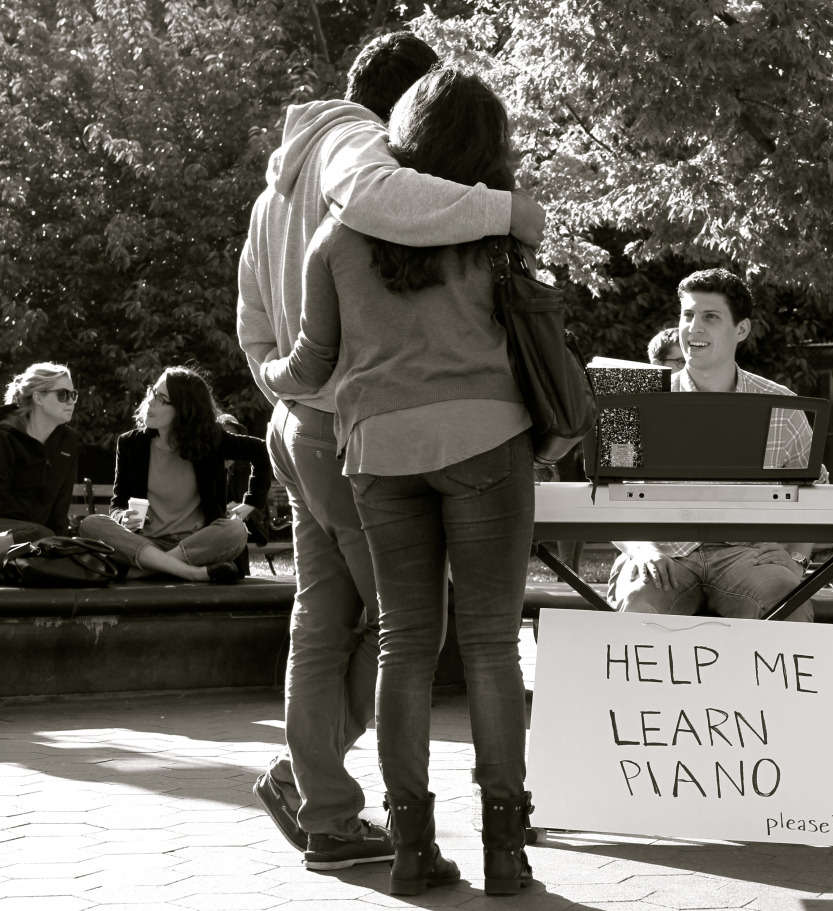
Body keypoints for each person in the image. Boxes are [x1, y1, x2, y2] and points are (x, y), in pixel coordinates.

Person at [236, 31, 545, 872]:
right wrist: (510, 211)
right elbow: (392, 209)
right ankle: (501, 845)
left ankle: (370, 823)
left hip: (337, 431)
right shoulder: (367, 157)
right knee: (470, 641)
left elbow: (273, 333)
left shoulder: (290, 203)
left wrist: (277, 384)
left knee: (349, 627)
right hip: (429, 436)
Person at [608, 269, 827, 622]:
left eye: (710, 317)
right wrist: (638, 548)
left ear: (741, 329)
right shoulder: (633, 400)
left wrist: (797, 560)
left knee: (787, 603)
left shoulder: (782, 404)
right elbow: (609, 488)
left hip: (748, 557)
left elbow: (814, 490)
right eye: (687, 315)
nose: (694, 328)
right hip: (662, 555)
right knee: (638, 602)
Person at [79, 367, 270, 583]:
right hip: (145, 543)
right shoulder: (130, 444)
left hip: (196, 543)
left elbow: (262, 451)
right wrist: (122, 517)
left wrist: (252, 502)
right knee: (91, 524)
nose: (150, 402)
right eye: (153, 392)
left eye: (161, 399)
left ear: (185, 409)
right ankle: (189, 573)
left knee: (235, 530)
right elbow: (118, 503)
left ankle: (148, 570)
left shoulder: (212, 440)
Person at [0, 363, 80, 549]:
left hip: (39, 535)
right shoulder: (5, 436)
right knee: (40, 534)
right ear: (38, 397)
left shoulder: (68, 442)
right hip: (6, 530)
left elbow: (60, 508)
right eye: (63, 394)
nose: (71, 402)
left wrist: (60, 545)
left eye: (73, 395)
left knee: (66, 545)